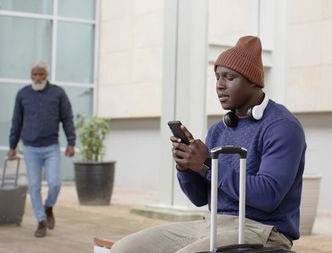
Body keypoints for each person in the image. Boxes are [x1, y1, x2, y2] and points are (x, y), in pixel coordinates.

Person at [111, 36, 306, 252]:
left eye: (229, 77)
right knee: (124, 248)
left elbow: (268, 196)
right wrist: (186, 167)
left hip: (263, 231)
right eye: (217, 78)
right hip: (213, 224)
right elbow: (200, 198)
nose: (220, 86)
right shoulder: (218, 130)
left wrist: (206, 164)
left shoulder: (282, 127)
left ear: (252, 81)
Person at [8, 61, 76, 238]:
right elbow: (16, 121)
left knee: (55, 183)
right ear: (31, 75)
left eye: (41, 74)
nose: (37, 78)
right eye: (34, 75)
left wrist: (71, 142)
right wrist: (12, 146)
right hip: (30, 148)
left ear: (47, 75)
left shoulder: (58, 93)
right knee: (34, 186)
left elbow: (67, 119)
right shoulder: (23, 94)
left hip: (51, 147)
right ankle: (41, 221)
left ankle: (49, 207)